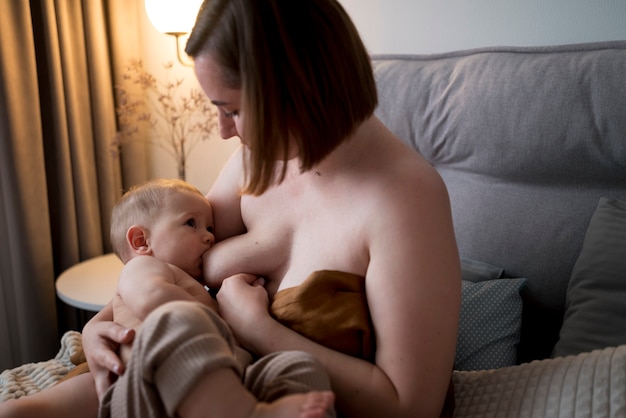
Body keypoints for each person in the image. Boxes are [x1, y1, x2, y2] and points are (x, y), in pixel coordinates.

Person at [86, 0, 461, 417]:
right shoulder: (255, 160)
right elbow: (161, 261)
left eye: (234, 110)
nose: (224, 131)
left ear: (296, 91)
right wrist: (98, 326)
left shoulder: (404, 200)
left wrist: (256, 330)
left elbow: (411, 407)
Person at [0, 178, 335, 418]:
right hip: (148, 390)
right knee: (177, 319)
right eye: (191, 224)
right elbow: (151, 300)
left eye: (210, 228)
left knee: (298, 367)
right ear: (141, 241)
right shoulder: (144, 268)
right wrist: (223, 321)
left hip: (215, 385)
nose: (208, 237)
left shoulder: (190, 286)